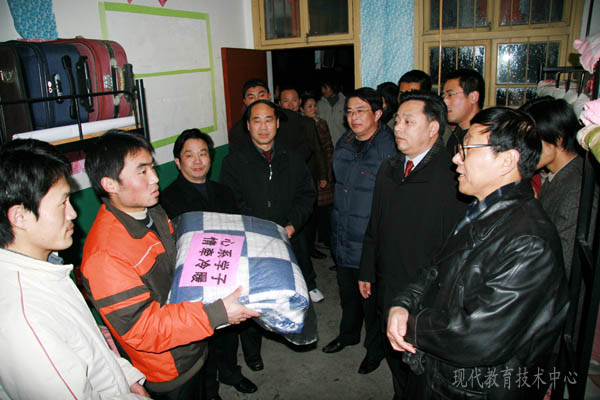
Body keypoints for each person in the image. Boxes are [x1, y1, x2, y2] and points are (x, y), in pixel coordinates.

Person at [387, 107, 569, 399]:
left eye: (467, 149)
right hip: (441, 375)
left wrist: (412, 324)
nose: (456, 159)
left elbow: (477, 336)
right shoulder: (482, 209)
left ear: (507, 161)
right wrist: (402, 304)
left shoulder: (529, 243)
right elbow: (435, 270)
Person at [81, 130, 259, 399]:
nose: (155, 178)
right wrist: (217, 313)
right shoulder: (105, 256)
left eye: (152, 167)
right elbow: (143, 329)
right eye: (142, 171)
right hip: (170, 369)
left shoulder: (151, 210)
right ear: (110, 184)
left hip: (194, 339)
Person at [0, 138, 149, 399]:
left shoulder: (47, 265)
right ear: (20, 216)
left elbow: (88, 344)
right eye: (62, 203)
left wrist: (126, 378)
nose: (73, 213)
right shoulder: (25, 320)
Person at [359, 91, 467, 399]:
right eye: (397, 121)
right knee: (394, 355)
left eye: (408, 122)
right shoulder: (389, 167)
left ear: (433, 128)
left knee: (419, 365)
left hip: (426, 293)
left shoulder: (453, 176)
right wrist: (367, 269)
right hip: (388, 282)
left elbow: (455, 247)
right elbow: (375, 224)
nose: (398, 128)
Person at [220, 100, 317, 374]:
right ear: (248, 125)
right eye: (256, 121)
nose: (263, 127)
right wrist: (259, 229)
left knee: (290, 290)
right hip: (252, 243)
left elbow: (306, 195)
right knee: (251, 297)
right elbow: (230, 201)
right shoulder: (233, 162)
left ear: (277, 123)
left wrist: (291, 224)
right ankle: (252, 352)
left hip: (289, 237)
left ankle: (293, 331)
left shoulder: (293, 158)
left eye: (268, 120)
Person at [160, 129, 258, 399]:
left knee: (229, 332)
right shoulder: (167, 199)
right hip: (194, 281)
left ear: (210, 158)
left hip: (226, 273)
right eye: (189, 155)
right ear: (178, 162)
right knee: (202, 340)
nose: (197, 160)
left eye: (203, 154)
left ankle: (231, 373)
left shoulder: (223, 192)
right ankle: (209, 389)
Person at [323, 87, 397, 376]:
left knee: (372, 303)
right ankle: (348, 334)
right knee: (348, 294)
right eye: (350, 111)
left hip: (370, 240)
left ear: (378, 114)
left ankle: (374, 349)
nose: (353, 117)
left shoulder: (389, 149)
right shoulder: (346, 141)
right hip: (343, 233)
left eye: (361, 111)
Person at [520, 97, 586, 278]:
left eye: (531, 142)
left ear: (557, 140)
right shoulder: (558, 175)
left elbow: (563, 264)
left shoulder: (576, 189)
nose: (524, 150)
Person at [279, 85, 329, 263]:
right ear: (280, 103)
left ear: (299, 102)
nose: (290, 104)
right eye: (286, 100)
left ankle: (310, 248)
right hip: (285, 181)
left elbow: (318, 150)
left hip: (308, 176)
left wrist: (323, 175)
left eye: (294, 100)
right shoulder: (276, 123)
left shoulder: (308, 123)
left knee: (310, 215)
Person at [301, 94, 335, 250]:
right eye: (310, 106)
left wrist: (327, 170)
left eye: (315, 105)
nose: (314, 108)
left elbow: (327, 146)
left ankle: (324, 237)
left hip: (323, 168)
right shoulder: (302, 125)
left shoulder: (321, 123)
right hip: (311, 171)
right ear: (302, 109)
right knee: (313, 208)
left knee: (325, 207)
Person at [442, 68, 485, 153]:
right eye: (444, 96)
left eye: (450, 95)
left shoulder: (484, 139)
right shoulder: (455, 136)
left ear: (473, 97)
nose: (445, 101)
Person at [317, 75, 346, 145]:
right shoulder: (319, 104)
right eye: (322, 87)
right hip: (325, 146)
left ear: (334, 87)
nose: (323, 90)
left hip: (342, 144)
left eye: (325, 88)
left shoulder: (345, 103)